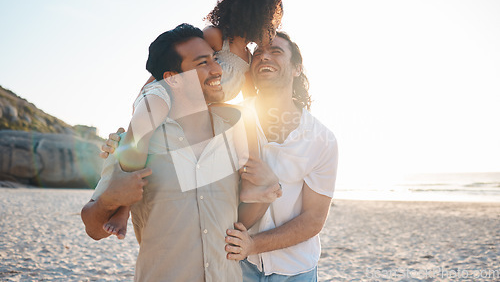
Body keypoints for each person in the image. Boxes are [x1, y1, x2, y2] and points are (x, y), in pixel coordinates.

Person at [81, 23, 276, 281]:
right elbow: (94, 228)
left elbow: (238, 222)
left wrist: (266, 192)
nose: (217, 69)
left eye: (214, 59)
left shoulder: (236, 132)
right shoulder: (137, 141)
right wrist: (110, 201)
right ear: (173, 78)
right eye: (202, 63)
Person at [223, 32, 338, 281]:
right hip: (236, 265)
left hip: (295, 269)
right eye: (258, 53)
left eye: (276, 51)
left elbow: (314, 219)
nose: (264, 56)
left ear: (297, 68)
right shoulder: (230, 121)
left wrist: (253, 245)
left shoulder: (322, 139)